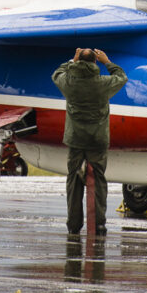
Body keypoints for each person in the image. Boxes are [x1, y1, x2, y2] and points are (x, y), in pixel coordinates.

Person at [52, 48, 127, 235]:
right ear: (95, 62)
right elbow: (121, 77)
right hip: (97, 140)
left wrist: (72, 60)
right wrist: (107, 61)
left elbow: (57, 74)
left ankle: (74, 225)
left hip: (75, 140)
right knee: (99, 182)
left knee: (73, 182)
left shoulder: (69, 83)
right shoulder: (103, 83)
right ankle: (99, 224)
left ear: (78, 61)